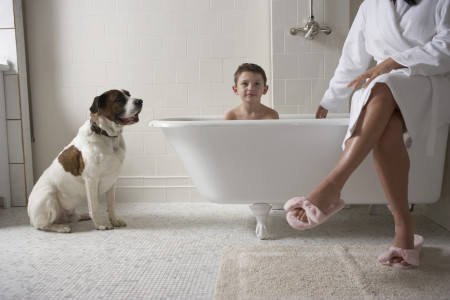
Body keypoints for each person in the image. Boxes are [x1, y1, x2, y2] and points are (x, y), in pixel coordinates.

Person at [284, 0, 450, 269]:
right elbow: (353, 56)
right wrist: (331, 98)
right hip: (381, 90)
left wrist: (392, 62)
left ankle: (332, 185)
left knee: (383, 83)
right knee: (386, 131)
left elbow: (447, 46)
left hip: (427, 83)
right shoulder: (371, 5)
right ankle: (404, 229)